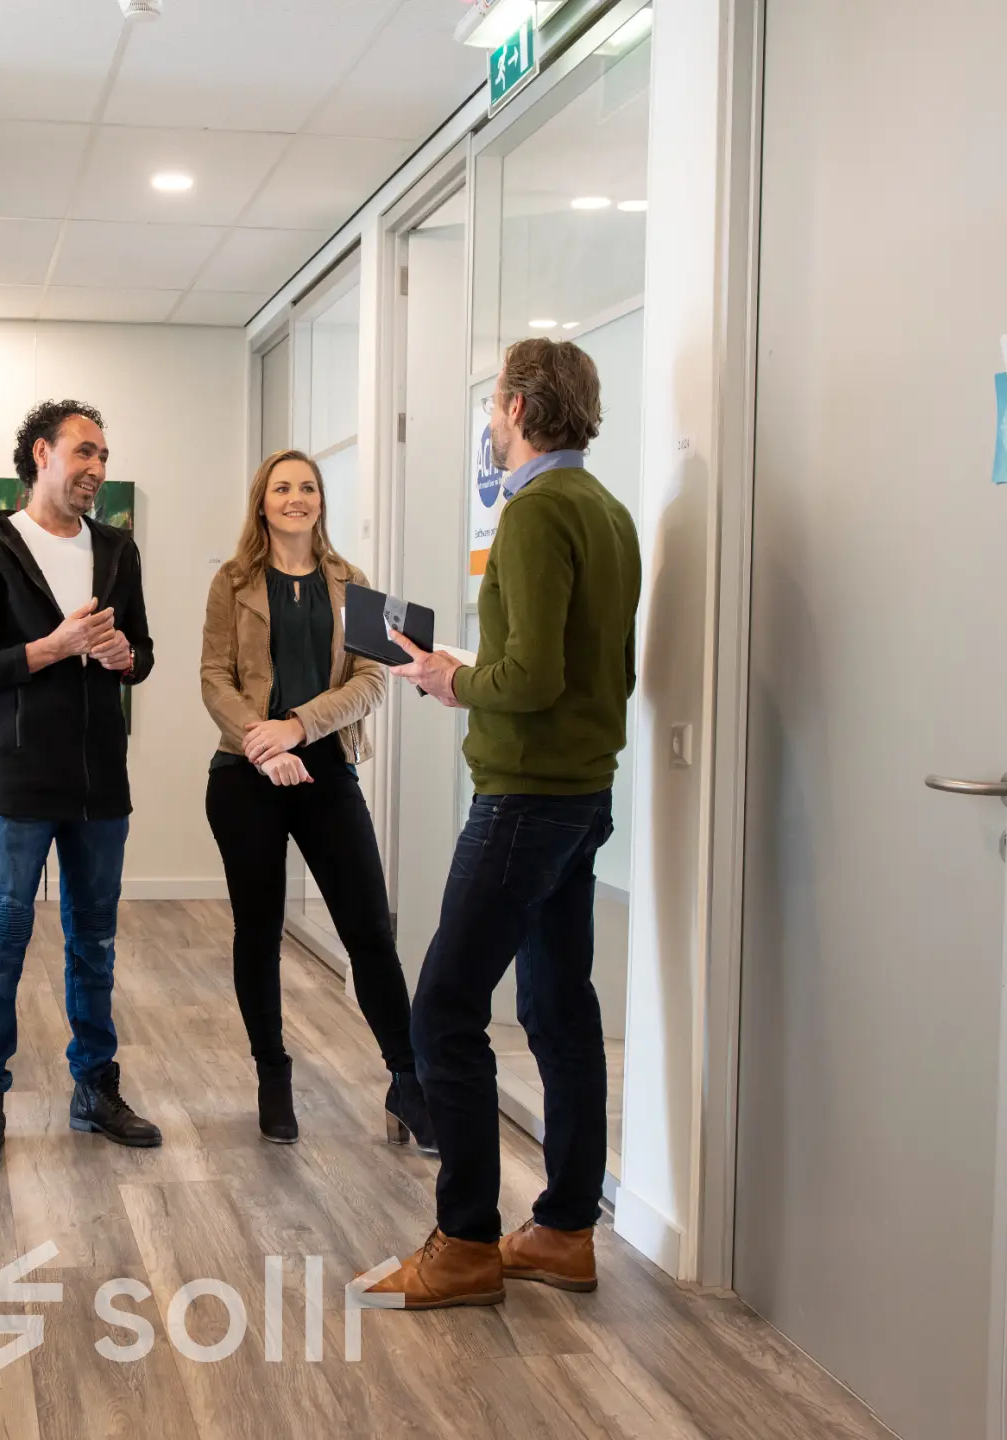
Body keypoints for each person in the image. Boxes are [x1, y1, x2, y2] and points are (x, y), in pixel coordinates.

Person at [364, 338, 641, 1308]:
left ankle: (467, 1242)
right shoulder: (608, 512)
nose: (488, 424)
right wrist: (475, 675)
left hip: (523, 798)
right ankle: (565, 1230)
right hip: (584, 792)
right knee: (559, 1008)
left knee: (442, 1009)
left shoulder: (534, 513)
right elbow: (600, 671)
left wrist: (449, 678)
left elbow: (528, 680)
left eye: (492, 406)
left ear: (520, 407)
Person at [0, 399, 161, 1174]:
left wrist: (127, 657)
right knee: (0, 946)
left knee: (93, 945)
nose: (97, 467)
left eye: (104, 454)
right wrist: (52, 648)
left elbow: (146, 651)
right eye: (84, 451)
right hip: (19, 784)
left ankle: (95, 1089)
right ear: (42, 454)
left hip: (102, 786)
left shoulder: (120, 551)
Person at [199, 450, 436, 1151]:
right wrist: (261, 743)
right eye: (282, 487)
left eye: (307, 487)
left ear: (321, 502)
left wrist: (297, 728)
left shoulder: (351, 584)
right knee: (259, 930)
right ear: (262, 503)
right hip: (244, 777)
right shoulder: (233, 580)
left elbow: (371, 679)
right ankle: (273, 1075)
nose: (296, 497)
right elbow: (214, 676)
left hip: (326, 769)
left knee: (368, 931)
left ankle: (408, 1079)